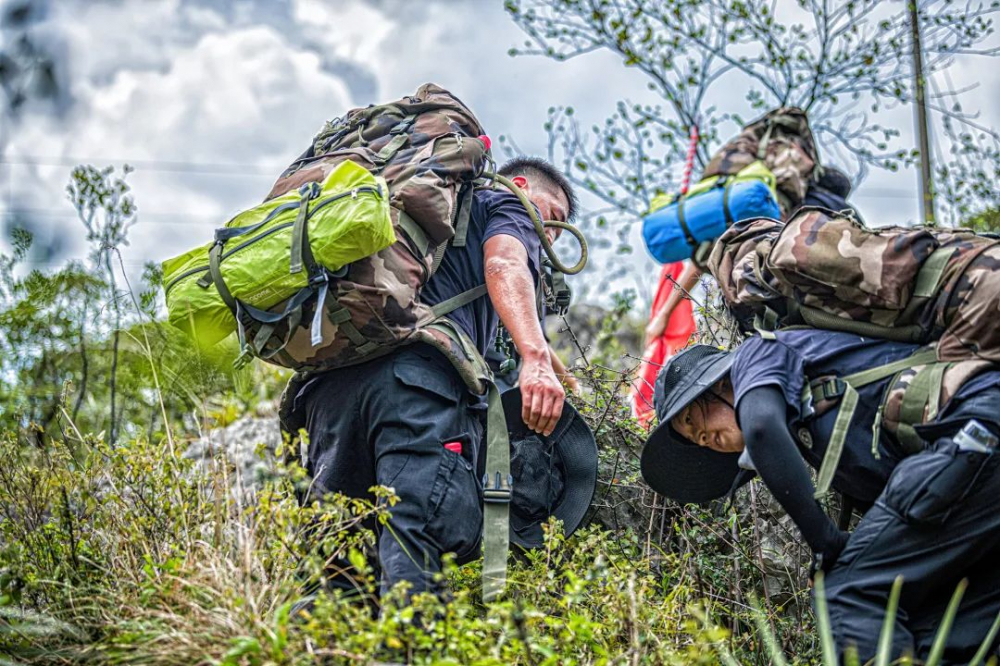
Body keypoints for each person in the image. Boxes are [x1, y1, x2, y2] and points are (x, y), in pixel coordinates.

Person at [287, 156, 578, 598]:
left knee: (335, 572)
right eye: (552, 215)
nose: (551, 233)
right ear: (520, 184)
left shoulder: (427, 221)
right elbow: (505, 265)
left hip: (330, 390)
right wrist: (534, 358)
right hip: (414, 389)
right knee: (414, 555)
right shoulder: (507, 203)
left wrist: (559, 370)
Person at [641, 331, 1000, 663]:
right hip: (975, 483)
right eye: (692, 439)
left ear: (722, 383)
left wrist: (826, 546)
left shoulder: (758, 353)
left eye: (692, 419)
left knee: (844, 592)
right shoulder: (821, 440)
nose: (701, 437)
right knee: (939, 632)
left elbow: (763, 427)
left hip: (975, 430)